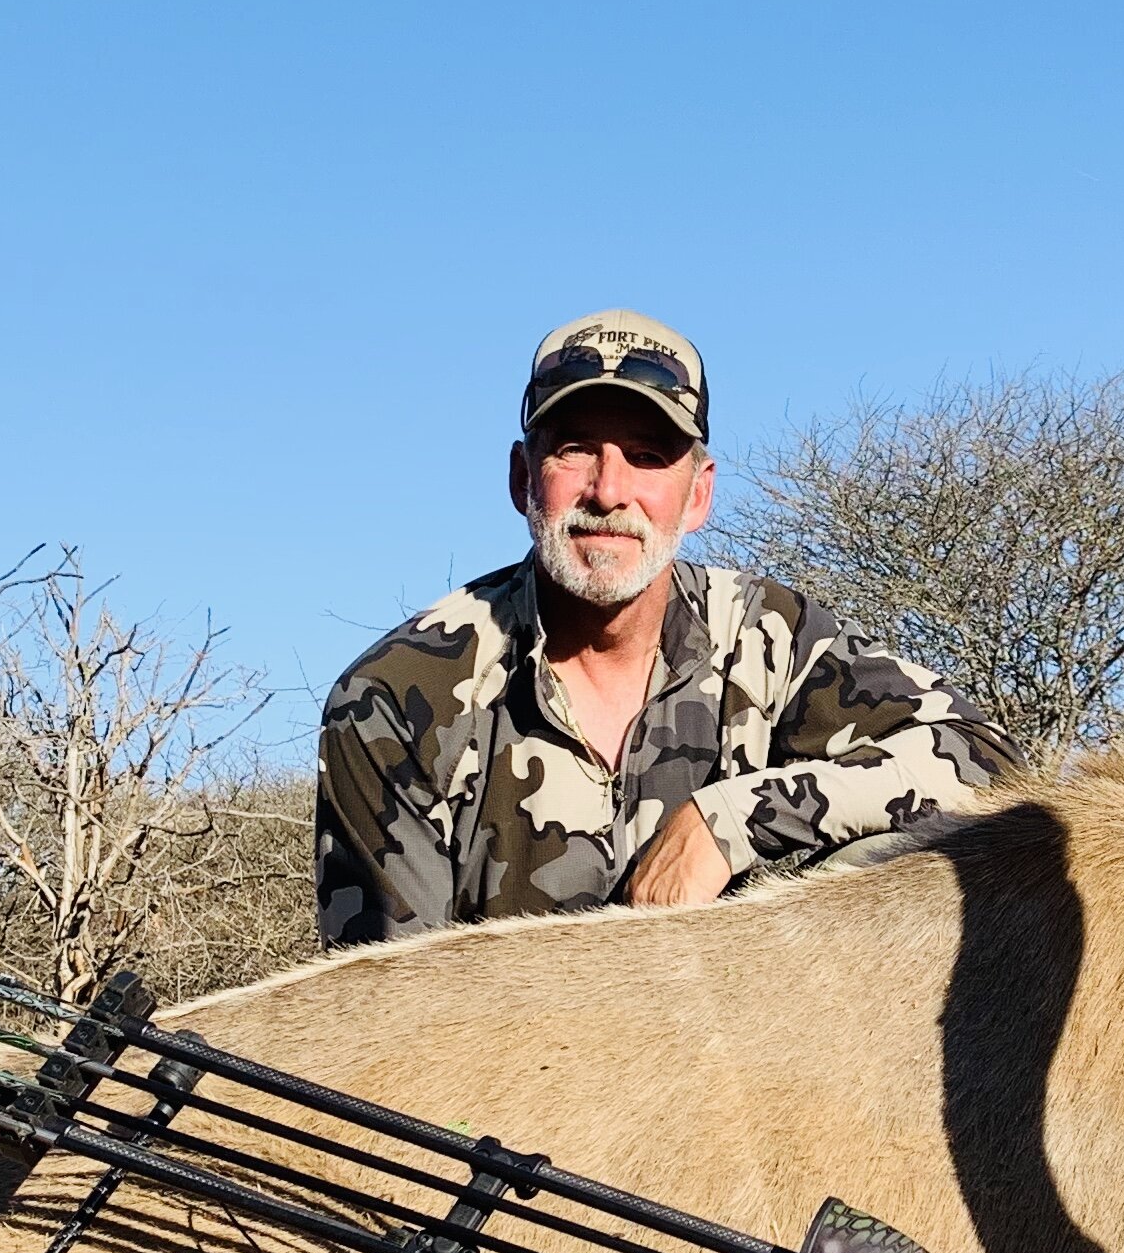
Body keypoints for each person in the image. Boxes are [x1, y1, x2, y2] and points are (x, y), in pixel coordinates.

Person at [314, 310, 1018, 945]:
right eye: (575, 450)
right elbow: (398, 1010)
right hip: (499, 1072)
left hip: (735, 1058)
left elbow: (982, 755)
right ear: (523, 478)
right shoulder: (396, 695)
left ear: (699, 493)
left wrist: (734, 819)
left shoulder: (768, 632)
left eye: (648, 456)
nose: (609, 490)